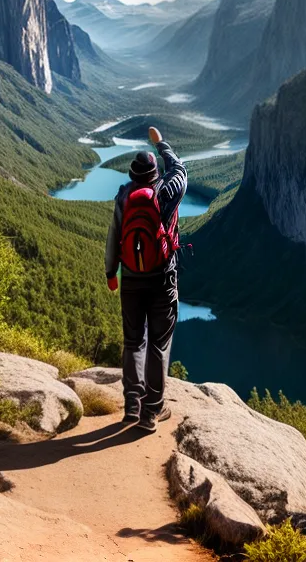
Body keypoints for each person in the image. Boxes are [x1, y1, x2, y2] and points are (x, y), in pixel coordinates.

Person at [104, 125, 186, 431]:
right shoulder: (167, 192)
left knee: (133, 341)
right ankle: (152, 411)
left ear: (131, 175)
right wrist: (162, 144)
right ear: (154, 175)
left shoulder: (124, 196)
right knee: (158, 344)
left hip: (132, 279)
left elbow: (114, 236)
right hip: (162, 279)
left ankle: (131, 407)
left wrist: (111, 272)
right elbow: (179, 169)